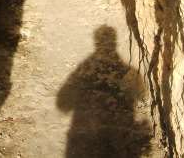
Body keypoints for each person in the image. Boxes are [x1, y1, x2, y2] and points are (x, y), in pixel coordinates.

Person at [56, 25, 152, 157]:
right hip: (117, 139)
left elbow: (62, 104)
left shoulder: (85, 67)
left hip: (85, 142)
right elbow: (142, 94)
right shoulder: (130, 72)